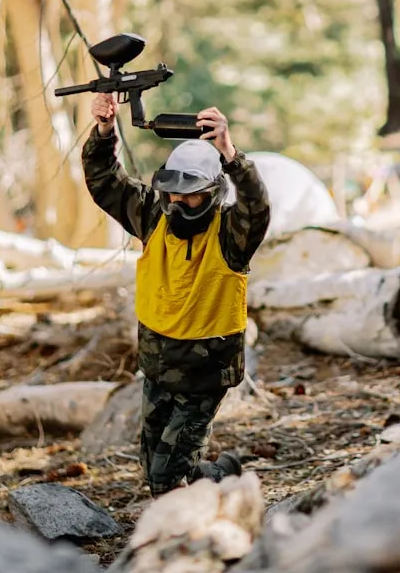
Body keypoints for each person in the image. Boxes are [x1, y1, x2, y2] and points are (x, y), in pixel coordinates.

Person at [82, 94, 271, 497]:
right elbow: (105, 181)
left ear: (214, 191)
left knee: (168, 479)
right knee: (155, 471)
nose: (179, 203)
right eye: (173, 193)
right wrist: (103, 131)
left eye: (191, 195)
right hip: (158, 365)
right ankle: (222, 474)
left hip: (204, 375)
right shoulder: (153, 215)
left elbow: (256, 206)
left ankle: (193, 538)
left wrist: (229, 152)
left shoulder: (231, 233)